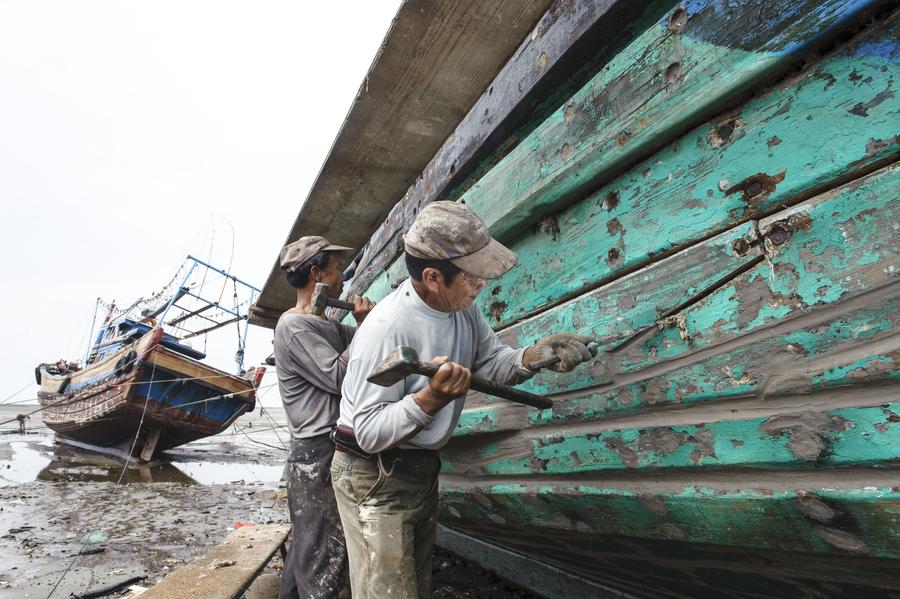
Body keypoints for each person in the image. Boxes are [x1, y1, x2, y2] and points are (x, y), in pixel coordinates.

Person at [330, 202, 592, 598]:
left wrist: (533, 356)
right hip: (372, 474)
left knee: (414, 586)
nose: (481, 284)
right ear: (433, 277)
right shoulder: (386, 329)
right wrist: (431, 398)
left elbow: (490, 361)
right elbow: (367, 432)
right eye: (472, 277)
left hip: (418, 466)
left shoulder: (461, 307)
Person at [274, 235, 375, 599]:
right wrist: (363, 329)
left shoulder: (327, 325)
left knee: (309, 543)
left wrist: (372, 324)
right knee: (322, 552)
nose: (343, 278)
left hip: (326, 447)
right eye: (336, 270)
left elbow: (366, 344)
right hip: (315, 452)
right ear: (316, 273)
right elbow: (339, 374)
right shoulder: (294, 326)